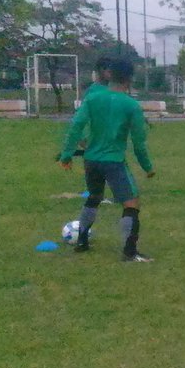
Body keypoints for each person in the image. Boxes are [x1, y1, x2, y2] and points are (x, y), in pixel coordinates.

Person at [58, 60, 155, 262]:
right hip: (114, 161)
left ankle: (82, 241)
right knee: (132, 203)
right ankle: (130, 253)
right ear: (129, 79)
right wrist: (147, 167)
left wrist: (67, 155)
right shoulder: (131, 105)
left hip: (91, 159)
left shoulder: (93, 98)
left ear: (110, 75)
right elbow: (139, 143)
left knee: (94, 196)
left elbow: (76, 127)